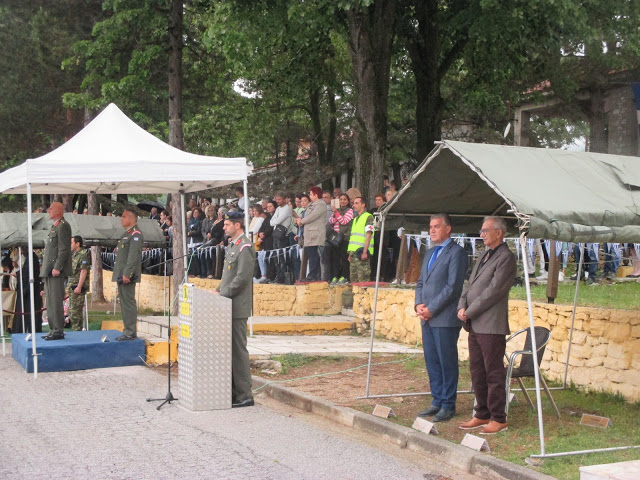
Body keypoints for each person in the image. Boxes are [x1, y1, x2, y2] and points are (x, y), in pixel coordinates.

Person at [457, 216, 516, 435]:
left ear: (499, 233)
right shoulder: (484, 255)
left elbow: (494, 291)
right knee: (477, 371)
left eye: (485, 231)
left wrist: (469, 311)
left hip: (491, 324)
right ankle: (481, 413)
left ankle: (498, 417)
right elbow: (469, 284)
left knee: (493, 372)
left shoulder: (506, 257)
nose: (482, 234)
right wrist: (462, 305)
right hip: (475, 324)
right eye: (481, 231)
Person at [415, 214, 468, 422]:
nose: (432, 230)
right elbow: (421, 282)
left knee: (446, 361)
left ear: (448, 229)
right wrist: (419, 304)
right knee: (432, 360)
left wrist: (432, 309)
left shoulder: (457, 253)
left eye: (437, 226)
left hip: (444, 317)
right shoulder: (429, 253)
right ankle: (437, 399)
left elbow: (453, 287)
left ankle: (448, 403)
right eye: (430, 227)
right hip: (426, 316)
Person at [214, 211, 255, 408]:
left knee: (238, 351)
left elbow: (242, 278)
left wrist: (223, 294)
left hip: (237, 307)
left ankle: (245, 394)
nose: (224, 227)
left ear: (237, 225)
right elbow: (228, 277)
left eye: (227, 224)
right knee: (229, 352)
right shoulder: (233, 246)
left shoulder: (245, 247)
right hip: (227, 305)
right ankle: (232, 392)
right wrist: (216, 291)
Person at [41, 202, 72, 341]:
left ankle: (58, 330)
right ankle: (53, 329)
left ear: (58, 211)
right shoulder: (55, 226)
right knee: (50, 302)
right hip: (49, 270)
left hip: (55, 270)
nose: (48, 210)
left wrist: (57, 267)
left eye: (51, 208)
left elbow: (64, 249)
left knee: (56, 300)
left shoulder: (63, 226)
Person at [112, 209, 143, 341]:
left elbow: (133, 256)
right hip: (122, 273)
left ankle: (130, 331)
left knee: (128, 302)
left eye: (124, 217)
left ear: (131, 218)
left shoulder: (135, 234)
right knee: (124, 303)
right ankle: (127, 330)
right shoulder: (127, 234)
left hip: (127, 275)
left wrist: (127, 273)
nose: (121, 219)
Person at [295, 187, 326, 281]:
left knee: (313, 255)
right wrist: (299, 219)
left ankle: (313, 275)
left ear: (316, 195)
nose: (310, 196)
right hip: (309, 234)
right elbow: (305, 214)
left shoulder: (320, 204)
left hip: (315, 234)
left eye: (311, 194)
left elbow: (312, 216)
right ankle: (313, 274)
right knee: (310, 253)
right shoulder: (312, 205)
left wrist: (302, 221)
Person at [347, 197, 374, 283]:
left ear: (363, 205)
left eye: (356, 203)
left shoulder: (368, 217)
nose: (354, 205)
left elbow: (368, 235)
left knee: (363, 279)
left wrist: (365, 252)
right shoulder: (355, 219)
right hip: (353, 253)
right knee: (354, 279)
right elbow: (353, 238)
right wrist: (350, 253)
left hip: (361, 252)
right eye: (353, 203)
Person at [66, 236, 91, 331]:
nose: (70, 245)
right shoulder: (74, 255)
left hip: (77, 287)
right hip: (72, 286)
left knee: (75, 312)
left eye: (72, 243)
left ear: (78, 244)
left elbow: (83, 271)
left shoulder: (83, 254)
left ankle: (78, 332)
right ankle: (76, 331)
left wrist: (79, 286)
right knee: (72, 312)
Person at [328, 193, 354, 284]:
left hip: (344, 237)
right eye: (341, 199)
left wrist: (336, 213)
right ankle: (335, 276)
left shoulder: (350, 211)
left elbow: (344, 221)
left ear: (348, 201)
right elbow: (330, 221)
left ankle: (344, 276)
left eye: (344, 199)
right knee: (335, 258)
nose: (342, 201)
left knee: (344, 258)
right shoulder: (336, 211)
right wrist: (336, 213)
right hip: (335, 238)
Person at [270, 192, 292, 284]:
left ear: (284, 199)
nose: (277, 201)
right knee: (276, 257)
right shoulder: (278, 208)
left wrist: (276, 221)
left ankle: (282, 277)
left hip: (283, 235)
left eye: (279, 199)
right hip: (276, 233)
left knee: (282, 257)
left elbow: (278, 220)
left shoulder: (287, 209)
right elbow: (271, 222)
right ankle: (278, 276)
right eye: (276, 199)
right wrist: (276, 221)